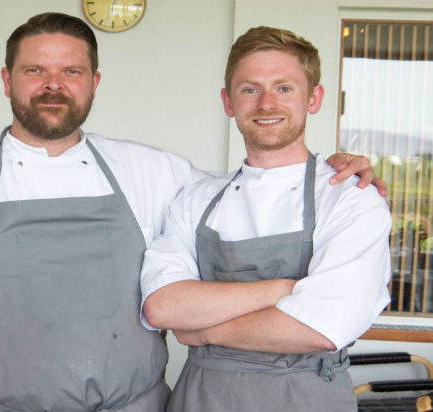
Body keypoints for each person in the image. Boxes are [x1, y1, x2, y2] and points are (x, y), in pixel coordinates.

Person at [0, 14, 379, 412]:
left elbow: (261, 183)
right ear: (6, 80)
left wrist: (338, 169)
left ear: (93, 83)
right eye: (35, 71)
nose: (52, 86)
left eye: (70, 72)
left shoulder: (153, 171)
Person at [140, 26, 391, 412]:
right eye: (250, 89)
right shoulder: (196, 197)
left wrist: (202, 330)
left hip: (307, 398)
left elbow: (322, 328)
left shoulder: (351, 197)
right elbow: (162, 308)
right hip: (202, 398)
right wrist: (283, 289)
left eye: (284, 88)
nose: (266, 103)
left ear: (314, 98)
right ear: (228, 101)